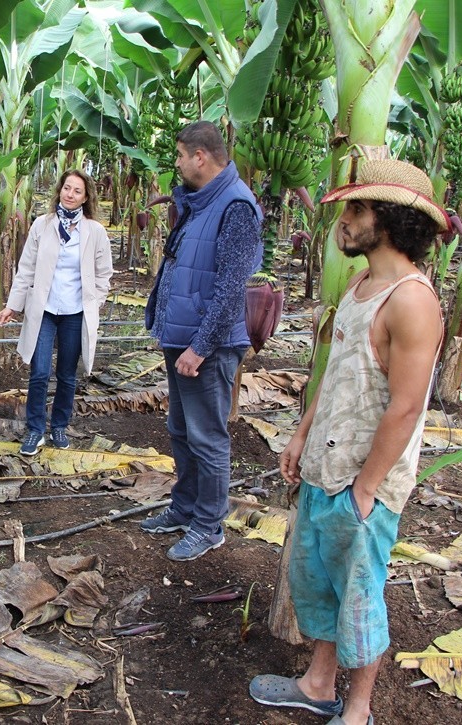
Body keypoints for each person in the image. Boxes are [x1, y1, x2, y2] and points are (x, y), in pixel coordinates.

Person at [249, 159, 447, 725]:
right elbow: (337, 373)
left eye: (357, 209)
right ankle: (317, 683)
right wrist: (301, 435)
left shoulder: (412, 301)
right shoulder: (362, 284)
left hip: (366, 478)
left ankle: (357, 709)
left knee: (359, 597)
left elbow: (405, 407)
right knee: (321, 584)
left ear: (388, 220)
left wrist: (367, 488)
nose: (345, 219)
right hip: (326, 462)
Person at [139, 121, 264, 561]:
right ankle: (184, 507)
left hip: (206, 346)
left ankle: (209, 526)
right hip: (183, 338)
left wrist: (201, 347)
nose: (175, 163)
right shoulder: (202, 201)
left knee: (208, 437)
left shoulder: (236, 207)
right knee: (180, 429)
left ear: (200, 156)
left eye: (178, 154)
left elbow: (231, 288)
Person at [0, 169, 113, 455]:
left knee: (66, 375)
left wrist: (94, 302)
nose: (70, 194)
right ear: (59, 190)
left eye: (77, 191)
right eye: (66, 188)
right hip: (45, 310)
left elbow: (103, 274)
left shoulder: (95, 232)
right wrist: (13, 305)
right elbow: (26, 268)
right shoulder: (42, 225)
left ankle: (59, 426)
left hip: (75, 312)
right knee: (38, 372)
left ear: (86, 198)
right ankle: (35, 430)